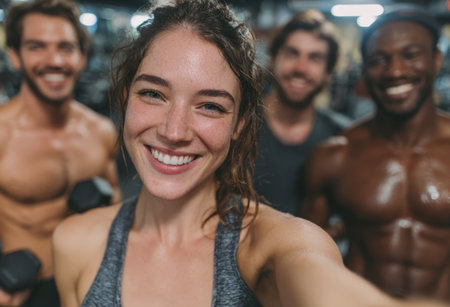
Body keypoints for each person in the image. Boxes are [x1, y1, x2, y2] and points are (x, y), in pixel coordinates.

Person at [52, 1, 450, 306]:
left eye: (210, 105)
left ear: (240, 123)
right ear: (126, 98)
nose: (174, 131)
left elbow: (316, 278)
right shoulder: (75, 244)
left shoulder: (272, 246)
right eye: (153, 94)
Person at [300, 4, 450, 301]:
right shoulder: (334, 156)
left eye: (410, 55)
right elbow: (305, 261)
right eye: (379, 60)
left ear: (436, 59)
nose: (395, 71)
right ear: (365, 69)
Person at [0, 0, 120, 306]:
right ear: (15, 55)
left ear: (81, 57)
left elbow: (115, 208)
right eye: (37, 46)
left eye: (66, 47)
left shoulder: (102, 131)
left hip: (92, 282)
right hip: (28, 291)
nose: (54, 60)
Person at [253, 9, 351, 216]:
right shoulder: (238, 124)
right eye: (292, 53)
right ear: (273, 58)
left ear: (328, 73)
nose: (301, 68)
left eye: (315, 58)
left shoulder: (342, 136)